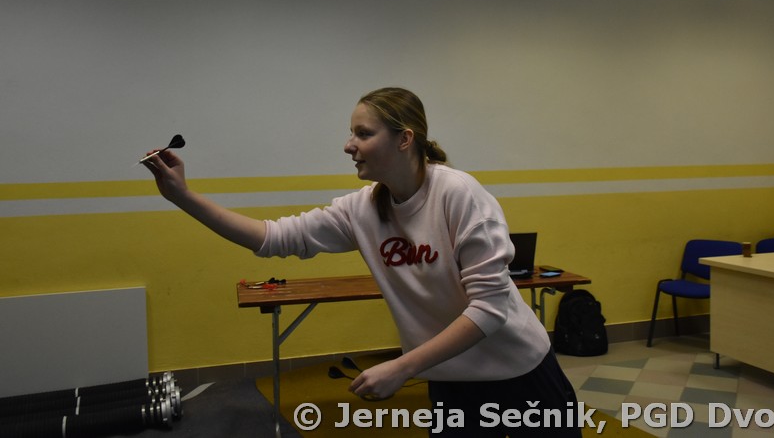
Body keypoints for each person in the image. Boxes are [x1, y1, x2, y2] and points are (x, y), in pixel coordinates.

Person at [143, 87, 580, 437]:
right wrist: (183, 197)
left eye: (363, 134)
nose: (348, 145)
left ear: (404, 139)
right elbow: (273, 237)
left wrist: (403, 366)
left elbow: (489, 307)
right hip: (450, 379)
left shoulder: (458, 195)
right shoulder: (363, 209)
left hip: (520, 372)